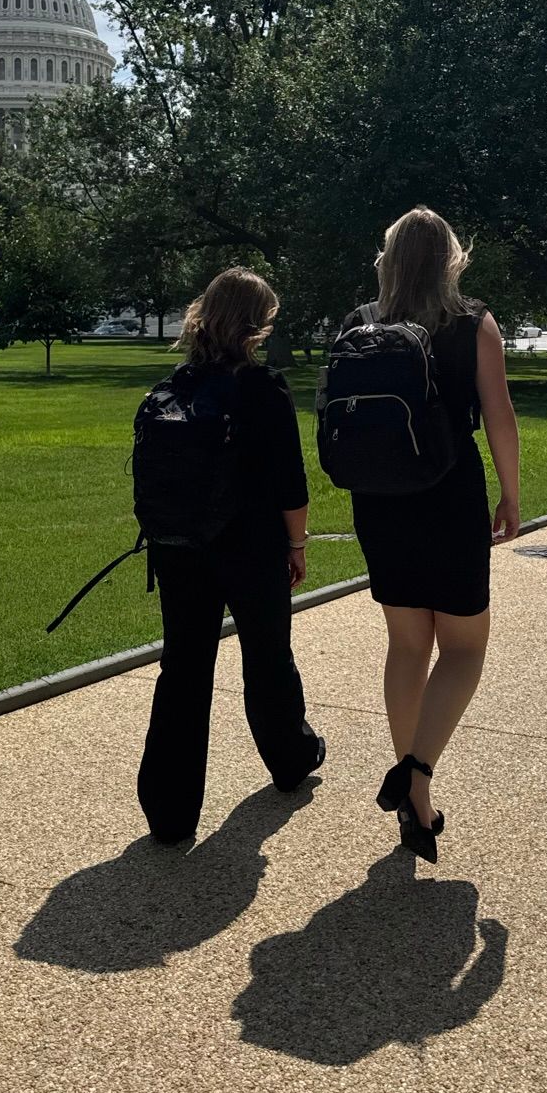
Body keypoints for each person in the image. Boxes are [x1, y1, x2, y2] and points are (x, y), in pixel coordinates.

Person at [343, 208, 520, 861]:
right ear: (451, 258)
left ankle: (414, 804)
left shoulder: (361, 322)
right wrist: (511, 494)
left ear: (388, 258)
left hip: (380, 501)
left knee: (406, 646)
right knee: (466, 649)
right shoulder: (472, 322)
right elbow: (499, 418)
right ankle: (416, 771)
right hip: (448, 496)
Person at [137, 268, 326, 845]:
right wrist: (297, 545)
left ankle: (169, 811)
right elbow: (290, 484)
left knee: (183, 670)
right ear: (257, 323)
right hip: (250, 545)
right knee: (267, 658)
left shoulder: (174, 386)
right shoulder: (264, 388)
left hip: (178, 548)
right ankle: (290, 758)